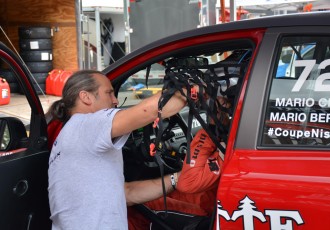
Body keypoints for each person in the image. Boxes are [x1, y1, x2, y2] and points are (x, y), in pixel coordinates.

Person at [47, 69, 189, 230]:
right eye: (109, 93)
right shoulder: (86, 124)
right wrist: (192, 88)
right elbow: (149, 111)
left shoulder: (73, 133)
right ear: (86, 97)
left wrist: (177, 178)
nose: (115, 101)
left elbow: (126, 193)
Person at [128, 95, 231, 230]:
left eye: (219, 106)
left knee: (142, 206)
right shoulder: (237, 135)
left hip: (209, 212)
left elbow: (188, 182)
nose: (212, 109)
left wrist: (211, 128)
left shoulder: (230, 142)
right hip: (211, 195)